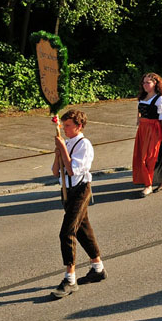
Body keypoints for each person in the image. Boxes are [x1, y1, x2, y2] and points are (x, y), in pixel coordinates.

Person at [51, 109, 106, 297]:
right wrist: (58, 152)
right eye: (63, 125)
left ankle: (69, 278)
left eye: (68, 126)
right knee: (83, 229)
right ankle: (98, 267)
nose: (64, 129)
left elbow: (73, 170)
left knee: (67, 232)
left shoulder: (84, 145)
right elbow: (55, 171)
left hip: (80, 190)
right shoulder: (66, 142)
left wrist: (64, 150)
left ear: (79, 126)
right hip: (67, 190)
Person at [132, 73, 162, 197]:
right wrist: (139, 119)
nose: (145, 85)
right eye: (143, 82)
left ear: (155, 84)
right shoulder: (143, 97)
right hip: (144, 131)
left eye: (148, 82)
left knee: (150, 157)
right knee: (143, 156)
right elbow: (140, 110)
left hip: (155, 131)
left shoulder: (161, 99)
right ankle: (160, 181)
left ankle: (148, 186)